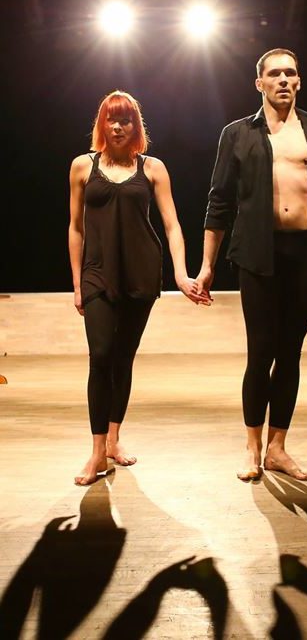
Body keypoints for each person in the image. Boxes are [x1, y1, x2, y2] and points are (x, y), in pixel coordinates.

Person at [196, 49, 307, 481]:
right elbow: (218, 202)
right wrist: (207, 266)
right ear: (260, 83)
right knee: (261, 351)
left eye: (290, 73)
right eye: (274, 74)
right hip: (257, 255)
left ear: (299, 81)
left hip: (304, 253)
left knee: (290, 353)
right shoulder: (237, 133)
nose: (283, 79)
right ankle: (252, 447)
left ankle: (278, 447)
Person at [69, 90, 206, 486]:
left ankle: (113, 439)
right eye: (111, 119)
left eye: (125, 119)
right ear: (102, 124)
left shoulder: (153, 168)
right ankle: (97, 451)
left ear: (135, 126)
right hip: (97, 272)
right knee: (100, 355)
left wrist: (181, 274)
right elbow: (75, 228)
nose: (118, 126)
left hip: (141, 271)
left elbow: (172, 226)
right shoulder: (82, 166)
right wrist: (77, 282)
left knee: (123, 357)